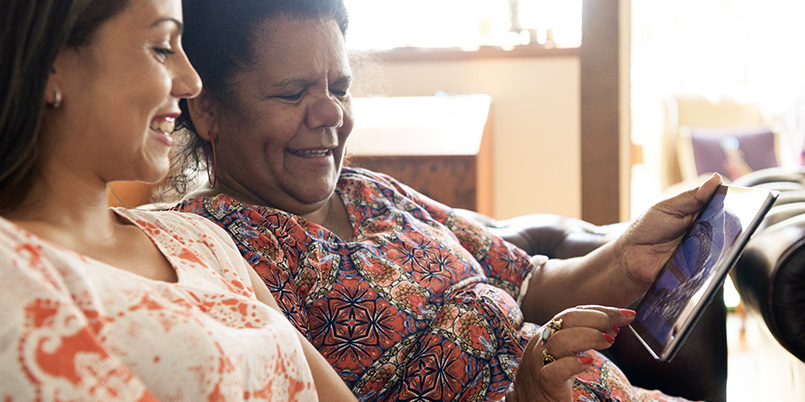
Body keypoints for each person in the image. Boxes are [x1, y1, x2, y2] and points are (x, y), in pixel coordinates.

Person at [164, 0, 721, 400]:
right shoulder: (208, 247)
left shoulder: (370, 192)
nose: (331, 113)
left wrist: (628, 256)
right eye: (293, 93)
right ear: (206, 107)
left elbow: (527, 285)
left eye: (339, 88)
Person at [0, 0, 358, 400]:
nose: (191, 82)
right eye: (162, 48)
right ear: (52, 63)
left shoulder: (199, 239)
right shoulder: (13, 270)